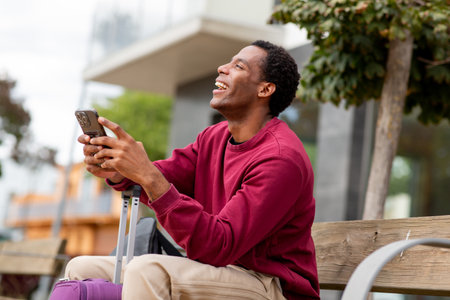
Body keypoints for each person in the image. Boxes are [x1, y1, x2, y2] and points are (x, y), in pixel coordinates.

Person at [65, 40, 320, 299]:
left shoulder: (280, 159)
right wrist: (119, 170)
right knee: (81, 267)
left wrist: (146, 174)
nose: (222, 68)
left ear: (265, 89)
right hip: (219, 270)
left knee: (147, 270)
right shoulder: (214, 137)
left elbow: (219, 244)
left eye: (238, 66)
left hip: (271, 285)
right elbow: (164, 178)